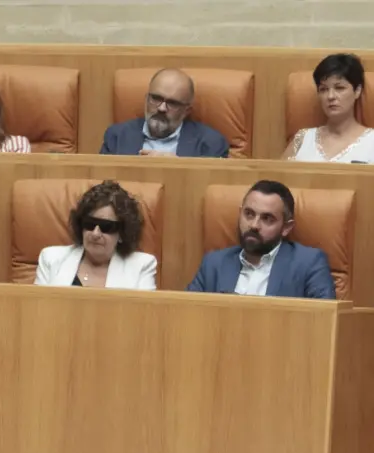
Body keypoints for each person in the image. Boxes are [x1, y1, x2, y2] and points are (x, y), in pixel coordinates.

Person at [186, 180, 335, 299]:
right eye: (249, 214)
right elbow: (187, 313)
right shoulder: (213, 264)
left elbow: (324, 320)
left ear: (286, 227)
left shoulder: (309, 264)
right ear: (240, 213)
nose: (254, 225)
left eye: (267, 218)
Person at [34, 180, 157, 289]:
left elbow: (144, 308)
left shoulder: (142, 266)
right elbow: (37, 306)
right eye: (89, 224)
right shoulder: (51, 259)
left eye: (106, 226)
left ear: (121, 233)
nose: (95, 234)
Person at [100, 68, 229, 158]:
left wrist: (178, 168)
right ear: (146, 99)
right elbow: (101, 185)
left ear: (186, 111)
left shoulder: (211, 144)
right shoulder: (117, 136)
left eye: (172, 103)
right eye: (156, 99)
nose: (162, 108)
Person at [282, 53, 374, 163]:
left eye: (339, 88)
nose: (330, 96)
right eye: (323, 89)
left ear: (357, 91)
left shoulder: (371, 141)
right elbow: (279, 173)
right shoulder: (303, 139)